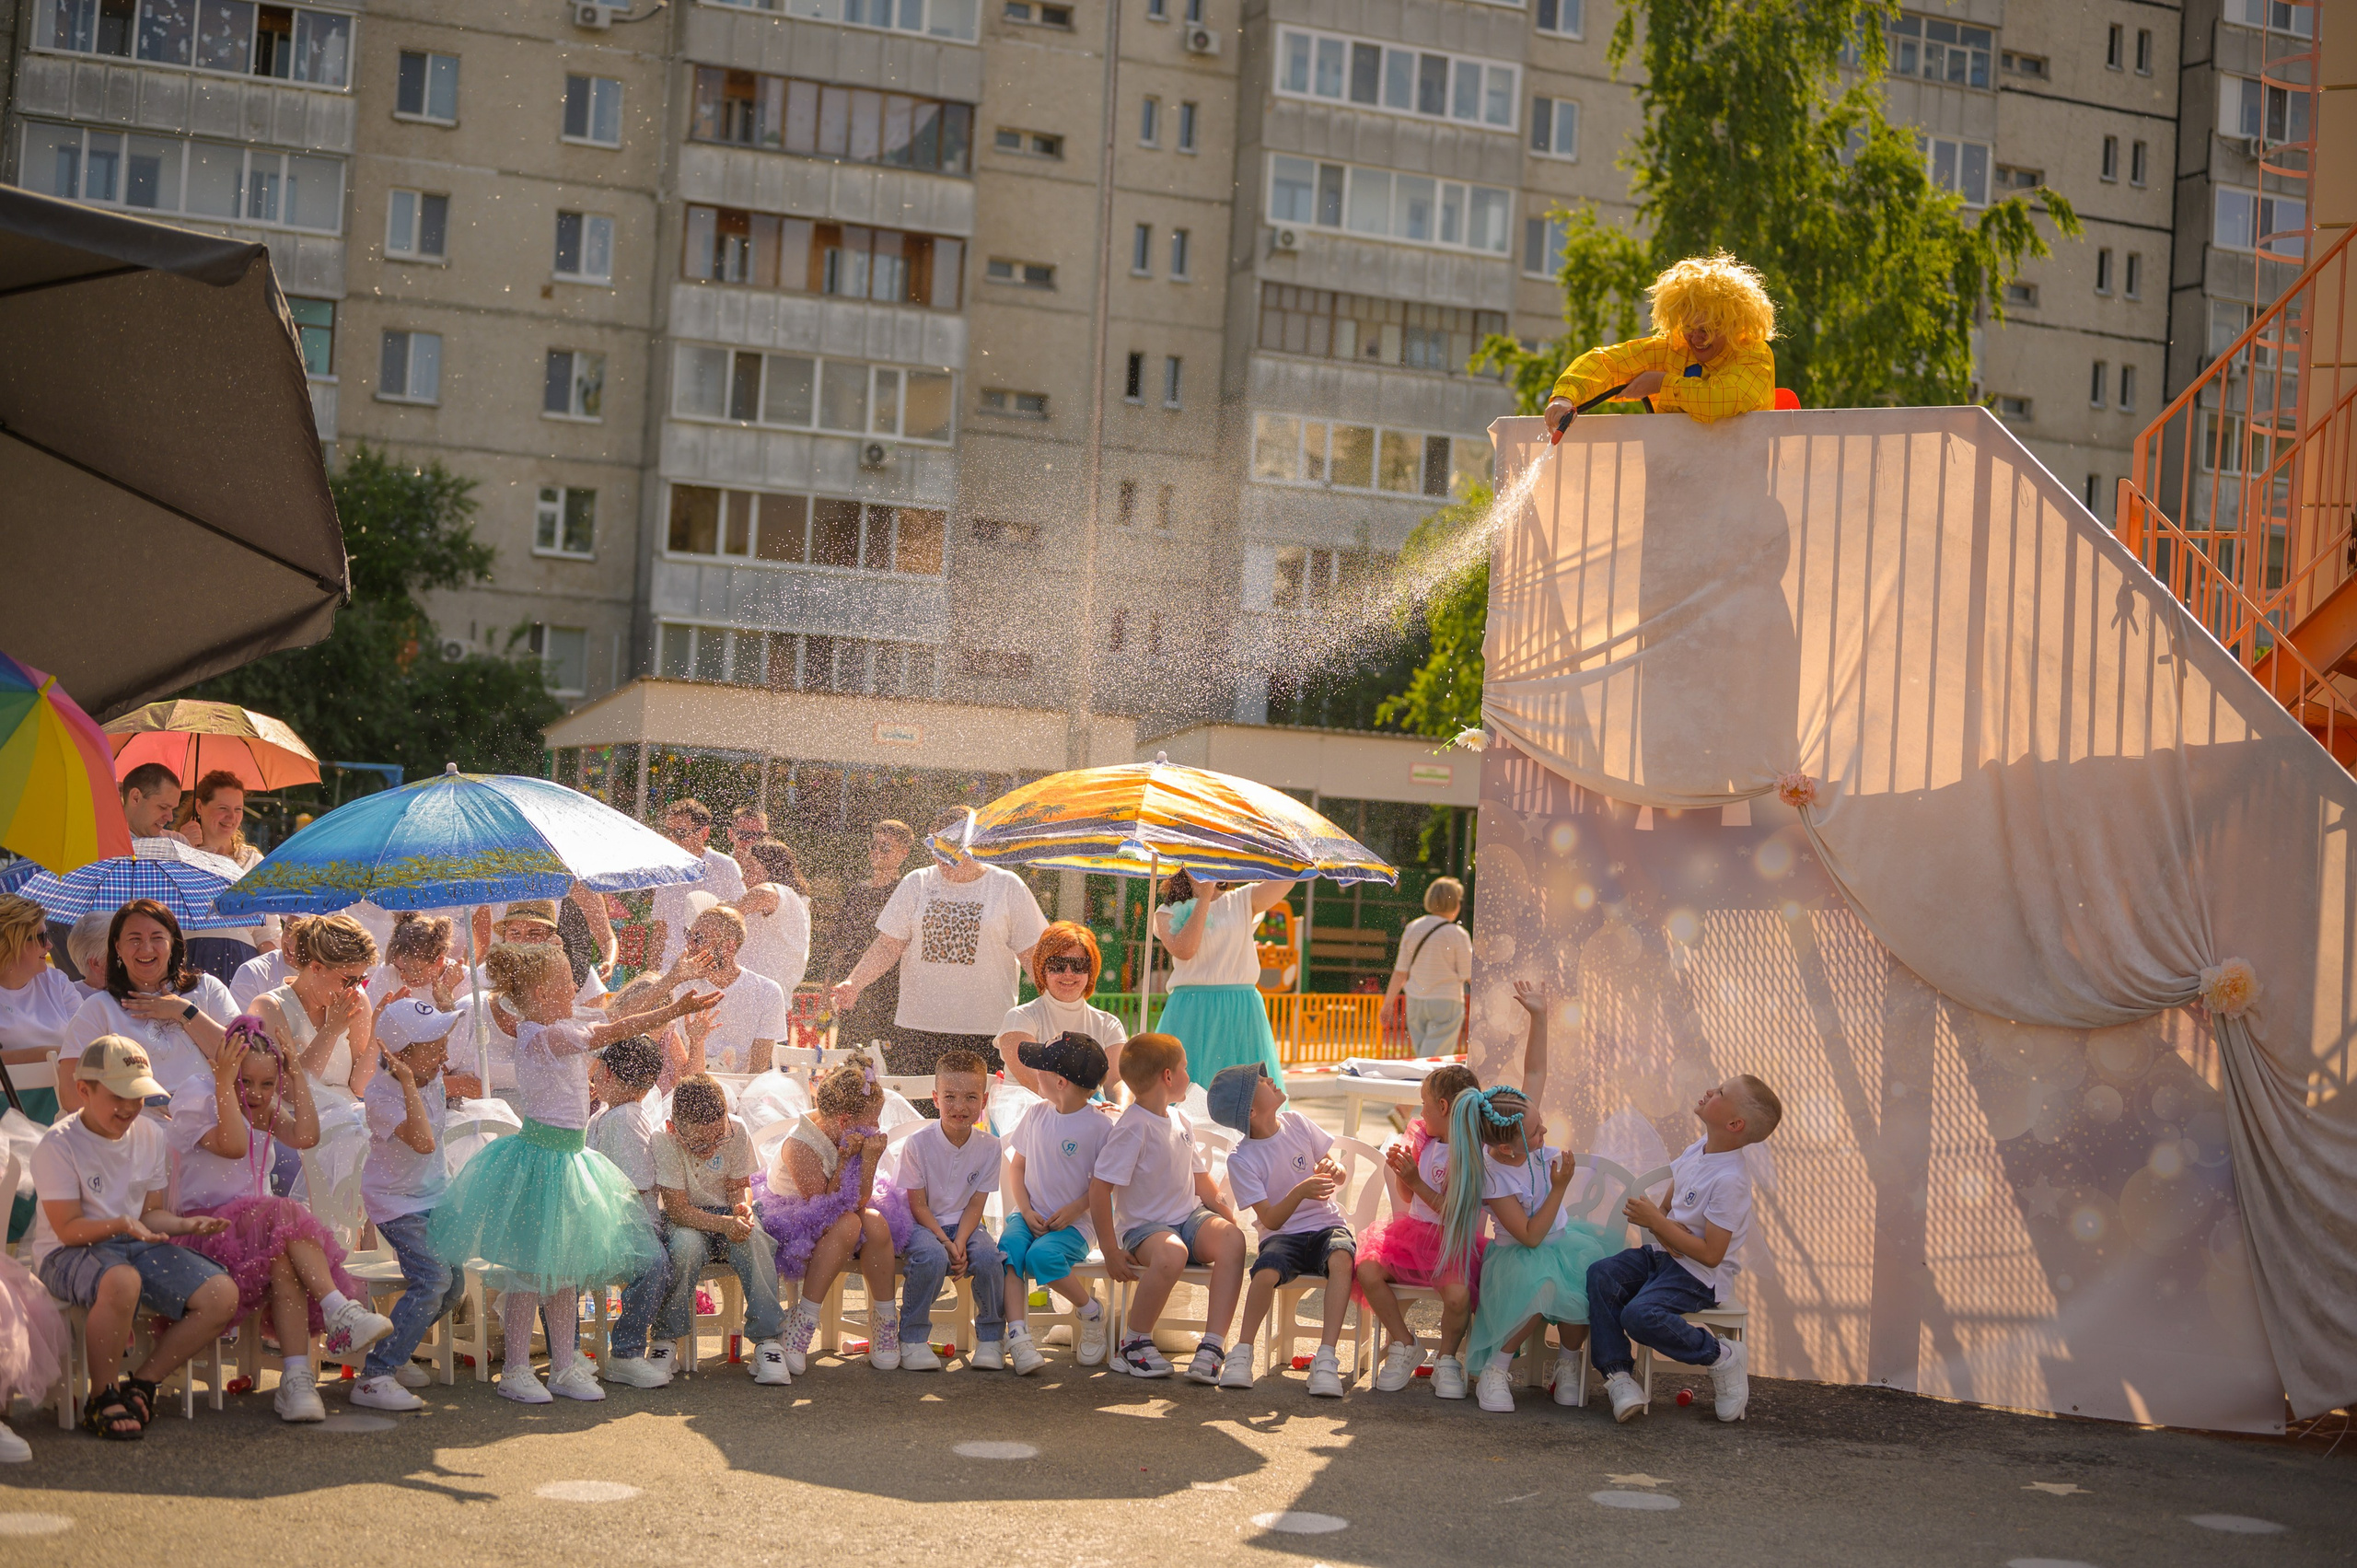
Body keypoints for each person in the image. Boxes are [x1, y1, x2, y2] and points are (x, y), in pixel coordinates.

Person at [427, 942, 712, 1405]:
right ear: (542, 993)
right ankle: (515, 1370)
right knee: (528, 1275)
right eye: (566, 984)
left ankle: (563, 1366)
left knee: (561, 1275)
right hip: (541, 1164)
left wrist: (671, 982)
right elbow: (612, 1028)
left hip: (570, 1161)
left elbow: (616, 1010)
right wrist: (673, 1008)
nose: (575, 991)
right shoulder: (541, 1036)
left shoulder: (557, 1023)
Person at [171, 1014, 392, 1422]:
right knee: (287, 1211)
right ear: (225, 1067)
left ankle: (296, 1381)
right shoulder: (199, 1094)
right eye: (245, 1081)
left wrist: (296, 1076)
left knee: (286, 1263)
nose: (256, 1093)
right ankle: (338, 1310)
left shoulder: (260, 1105)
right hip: (203, 1234)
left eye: (267, 1084)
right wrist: (223, 1083)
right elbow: (233, 1146)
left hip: (257, 1234)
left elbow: (306, 1137)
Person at [30, 1038, 240, 1440]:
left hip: (132, 1242)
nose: (129, 1107)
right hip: (67, 1252)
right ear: (84, 1090)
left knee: (221, 1293)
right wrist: (124, 1224)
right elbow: (68, 1229)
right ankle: (102, 1396)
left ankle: (143, 1383)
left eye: (138, 1096)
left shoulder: (149, 1134)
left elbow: (150, 1215)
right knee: (123, 1280)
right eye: (118, 1096)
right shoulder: (58, 1144)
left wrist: (185, 1226)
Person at [1445, 982, 1612, 1413]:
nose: (1545, 1133)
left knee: (1583, 1285)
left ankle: (1568, 1364)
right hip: (1518, 1257)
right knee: (1544, 1288)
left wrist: (1539, 1016)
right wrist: (1559, 1188)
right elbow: (1531, 1237)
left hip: (1563, 1244)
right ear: (1506, 1148)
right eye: (1538, 1132)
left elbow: (1535, 1071)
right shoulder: (1495, 1177)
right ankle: (1496, 1369)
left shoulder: (1521, 1125)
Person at [1586, 1074, 1782, 1425]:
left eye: (1720, 1092)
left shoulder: (1731, 1181)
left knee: (1638, 1315)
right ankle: (1619, 1376)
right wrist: (1661, 1224)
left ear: (1734, 1124)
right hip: (1666, 1258)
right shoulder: (1699, 1148)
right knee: (1602, 1274)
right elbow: (1667, 1207)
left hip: (1698, 1276)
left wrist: (1657, 1223)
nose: (1709, 1090)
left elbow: (1711, 1255)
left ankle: (1721, 1355)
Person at [832, 807, 1047, 1093]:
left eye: (952, 847)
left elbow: (1032, 954)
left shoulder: (1006, 886)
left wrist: (1057, 1005)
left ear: (975, 844)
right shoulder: (917, 883)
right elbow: (887, 945)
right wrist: (854, 982)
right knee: (919, 1111)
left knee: (979, 1112)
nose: (941, 857)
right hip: (918, 1028)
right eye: (936, 846)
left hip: (986, 1029)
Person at [1090, 1032, 1244, 1384]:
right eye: (1185, 1068)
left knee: (1233, 1241)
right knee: (1173, 1253)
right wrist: (1110, 1250)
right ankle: (1134, 1343)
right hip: (1144, 1230)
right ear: (1168, 1076)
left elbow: (1202, 1180)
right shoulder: (1132, 1127)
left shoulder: (1180, 1120)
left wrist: (1227, 1217)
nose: (1190, 1074)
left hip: (1189, 1219)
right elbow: (1099, 1189)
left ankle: (1211, 1347)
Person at [1207, 1062, 1354, 1397]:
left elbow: (1340, 1173)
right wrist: (1300, 1192)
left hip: (1326, 1225)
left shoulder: (1297, 1122)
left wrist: (1336, 1168)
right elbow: (1271, 1220)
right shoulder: (1241, 1159)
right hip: (1281, 1236)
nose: (1270, 1078)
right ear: (1252, 1111)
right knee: (1263, 1272)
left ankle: (1326, 1358)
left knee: (1342, 1258)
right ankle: (1242, 1353)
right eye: (1260, 1081)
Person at [756, 1061, 913, 1375]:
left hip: (840, 1213)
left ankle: (884, 1320)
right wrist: (846, 1160)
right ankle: (803, 1321)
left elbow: (859, 1199)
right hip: (796, 1219)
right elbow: (826, 1206)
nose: (877, 1126)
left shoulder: (850, 1134)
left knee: (875, 1222)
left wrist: (869, 1161)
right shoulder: (800, 1144)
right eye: (873, 1120)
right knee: (850, 1222)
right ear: (844, 1121)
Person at [354, 999, 471, 1412]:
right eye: (434, 1047)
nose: (444, 1056)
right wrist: (407, 1084)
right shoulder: (381, 1094)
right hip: (396, 1203)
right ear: (400, 1056)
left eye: (443, 1044)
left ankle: (396, 1347)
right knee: (433, 1278)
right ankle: (375, 1376)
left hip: (434, 1195)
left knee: (453, 1288)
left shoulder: (430, 1075)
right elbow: (422, 1141)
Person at [1543, 251, 1779, 441]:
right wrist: (1564, 398)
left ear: (1734, 326)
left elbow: (1720, 400)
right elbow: (1606, 362)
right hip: (1668, 481)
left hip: (1739, 484)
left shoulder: (1755, 356)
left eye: (1706, 330)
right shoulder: (1673, 348)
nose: (1696, 339)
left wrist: (1661, 384)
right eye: (1688, 328)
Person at [652, 1074, 792, 1386]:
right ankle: (665, 1339)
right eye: (701, 1143)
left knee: (756, 1241)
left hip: (727, 1216)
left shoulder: (736, 1129)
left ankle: (768, 1340)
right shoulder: (663, 1140)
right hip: (686, 1221)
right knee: (684, 1249)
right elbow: (677, 1209)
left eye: (719, 1137)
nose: (712, 1148)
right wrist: (724, 1224)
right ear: (674, 1128)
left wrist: (742, 1207)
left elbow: (739, 1185)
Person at [60, 901, 235, 1147]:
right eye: (134, 939)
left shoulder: (208, 989)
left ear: (173, 942)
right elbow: (71, 1094)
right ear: (117, 947)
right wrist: (132, 1114)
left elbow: (242, 1059)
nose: (146, 948)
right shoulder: (99, 1008)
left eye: (157, 937)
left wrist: (183, 1011)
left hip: (214, 1123)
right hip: (135, 1132)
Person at [1354, 1063, 1483, 1395]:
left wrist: (1415, 1180)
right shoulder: (1424, 1138)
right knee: (1367, 1270)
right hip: (1411, 1237)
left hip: (1450, 1243)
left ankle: (1447, 1358)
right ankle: (1405, 1343)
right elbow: (1407, 1196)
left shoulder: (1470, 1150)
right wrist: (1403, 1172)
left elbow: (1453, 1212)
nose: (1421, 1112)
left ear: (1443, 1106)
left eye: (1425, 1104)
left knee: (1458, 1297)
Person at [998, 1033, 1115, 1373]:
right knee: (1008, 1251)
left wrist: (1075, 1209)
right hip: (1028, 1216)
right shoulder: (1036, 1114)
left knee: (1041, 1256)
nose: (1035, 1073)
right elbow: (1017, 1167)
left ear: (1061, 1082)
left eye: (1041, 1068)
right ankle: (1018, 1336)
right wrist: (1025, 1209)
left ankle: (1090, 1312)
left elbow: (1105, 1186)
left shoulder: (1101, 1127)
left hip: (1076, 1227)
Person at [894, 1047, 1003, 1371]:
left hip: (966, 1225)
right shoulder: (917, 1144)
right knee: (932, 1257)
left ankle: (991, 1339)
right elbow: (917, 1205)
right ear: (935, 1099)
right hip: (923, 1225)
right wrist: (945, 1242)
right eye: (950, 1097)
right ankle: (912, 1339)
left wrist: (961, 1241)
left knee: (989, 1259)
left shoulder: (990, 1147)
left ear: (984, 1101)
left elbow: (976, 1205)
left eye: (971, 1097)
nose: (960, 1107)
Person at [585, 1036, 675, 1388]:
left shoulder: (622, 1117)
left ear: (606, 1072)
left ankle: (592, 1351)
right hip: (618, 1222)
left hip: (624, 1223)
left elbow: (636, 1183)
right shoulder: (613, 1115)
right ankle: (623, 1351)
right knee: (655, 1265)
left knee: (654, 1265)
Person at [1153, 869, 1295, 1088]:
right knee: (1186, 1090)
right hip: (1192, 1008)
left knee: (1248, 1092)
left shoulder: (1243, 898)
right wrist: (1205, 895)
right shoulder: (1166, 911)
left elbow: (1289, 877)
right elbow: (1185, 950)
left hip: (1241, 1007)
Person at [996, 922, 1127, 1096]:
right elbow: (1034, 1084)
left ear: (1091, 971)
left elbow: (1116, 1081)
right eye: (1057, 965)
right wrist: (1081, 1107)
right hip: (1027, 1109)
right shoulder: (1019, 1018)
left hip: (1087, 1109)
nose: (1068, 973)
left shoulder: (1109, 1024)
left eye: (1079, 965)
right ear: (1042, 969)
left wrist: (1121, 1108)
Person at [172, 770, 277, 983]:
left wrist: (276, 978)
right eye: (223, 808)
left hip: (241, 964)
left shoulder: (252, 861)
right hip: (188, 959)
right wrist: (182, 847)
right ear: (200, 807)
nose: (232, 817)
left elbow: (267, 932)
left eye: (238, 809)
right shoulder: (176, 852)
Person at [664, 900, 789, 1074]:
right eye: (688, 935)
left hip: (743, 1088)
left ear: (729, 946)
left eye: (699, 938)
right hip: (691, 1085)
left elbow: (758, 1072)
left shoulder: (768, 992)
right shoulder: (676, 987)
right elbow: (681, 1072)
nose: (689, 945)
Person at [825, 820, 915, 1054]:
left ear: (903, 853)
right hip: (853, 992)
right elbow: (839, 947)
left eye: (885, 847)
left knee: (885, 1062)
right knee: (848, 1060)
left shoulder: (905, 891)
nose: (876, 852)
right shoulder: (857, 891)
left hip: (890, 995)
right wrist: (826, 993)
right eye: (873, 845)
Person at [0, 893, 79, 1132]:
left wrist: (54, 1056)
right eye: (42, 937)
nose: (49, 945)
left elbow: (88, 1038)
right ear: (13, 941)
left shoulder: (56, 982)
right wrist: (51, 1054)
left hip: (65, 1110)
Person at [651, 798, 746, 973]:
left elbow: (739, 920)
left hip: (713, 968)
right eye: (668, 832)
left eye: (680, 833)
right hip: (671, 968)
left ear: (704, 833)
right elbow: (659, 932)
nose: (672, 840)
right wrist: (652, 976)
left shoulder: (725, 866)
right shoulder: (666, 871)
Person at [1384, 878, 1473, 1057]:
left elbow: (1400, 972)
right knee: (1434, 1059)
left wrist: (1388, 1003)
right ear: (1455, 904)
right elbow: (1470, 975)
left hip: (1415, 1001)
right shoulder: (1457, 934)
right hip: (1446, 1002)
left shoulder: (1412, 928)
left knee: (1423, 1056)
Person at [734, 840, 812, 1006]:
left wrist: (726, 911)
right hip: (761, 999)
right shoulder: (794, 901)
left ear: (773, 868)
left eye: (750, 868)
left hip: (762, 1002)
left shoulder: (784, 895)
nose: (743, 877)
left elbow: (764, 893)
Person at [231, 913, 309, 1010]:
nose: (291, 944)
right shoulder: (252, 973)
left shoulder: (327, 976)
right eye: (289, 929)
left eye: (303, 936)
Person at [118, 762, 185, 843]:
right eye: (163, 807)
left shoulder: (178, 841)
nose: (170, 818)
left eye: (172, 809)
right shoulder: (108, 844)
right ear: (136, 798)